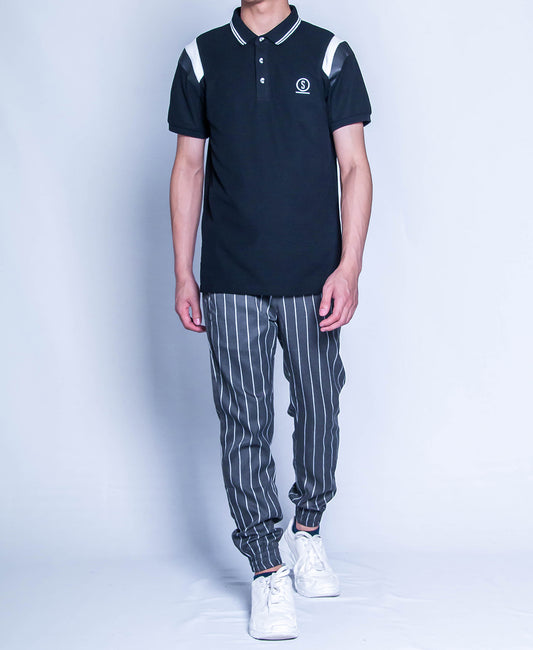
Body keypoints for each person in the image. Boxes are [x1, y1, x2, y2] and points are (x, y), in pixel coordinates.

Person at [167, 0, 372, 640]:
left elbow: (354, 166)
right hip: (230, 276)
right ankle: (266, 566)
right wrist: (183, 271)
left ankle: (306, 529)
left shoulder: (329, 52)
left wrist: (349, 268)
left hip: (314, 275)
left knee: (318, 403)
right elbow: (188, 165)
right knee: (244, 420)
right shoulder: (202, 56)